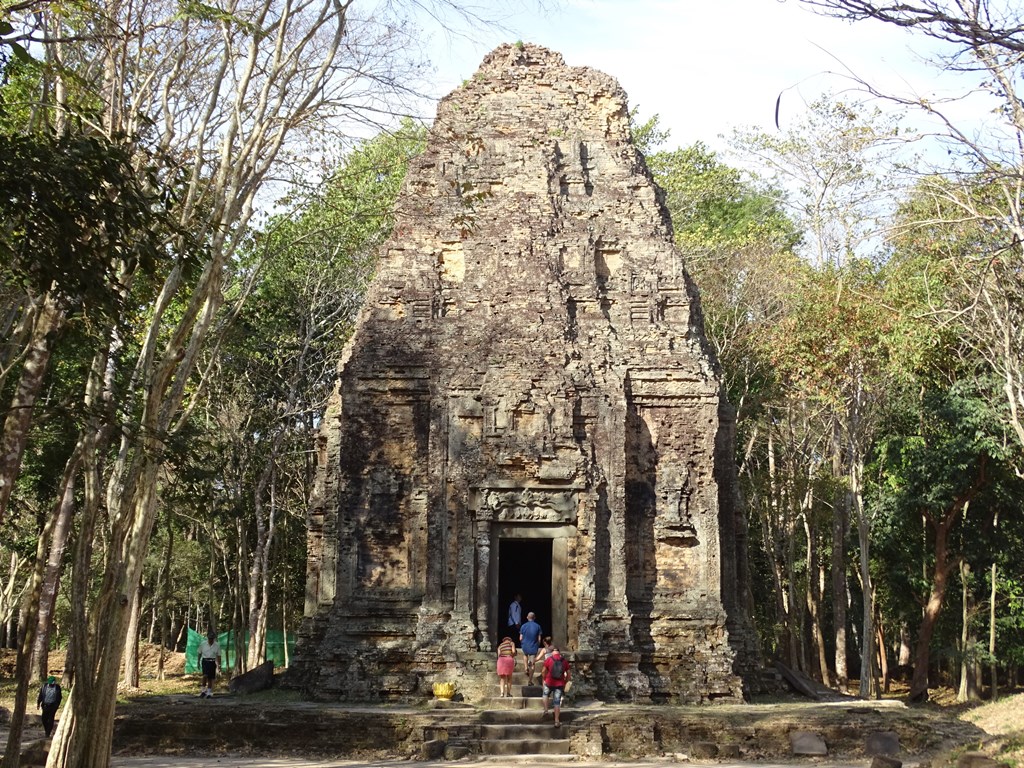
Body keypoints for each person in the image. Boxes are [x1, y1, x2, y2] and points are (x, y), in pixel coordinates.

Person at [542, 645, 570, 728]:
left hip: (549, 681)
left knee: (545, 694)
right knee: (557, 702)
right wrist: (565, 681)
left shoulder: (549, 659)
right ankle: (557, 721)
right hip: (559, 683)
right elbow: (569, 674)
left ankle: (546, 710)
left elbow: (543, 671)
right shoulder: (564, 661)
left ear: (552, 653)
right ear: (559, 653)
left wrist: (544, 678)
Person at [519, 611, 543, 684]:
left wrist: (523, 643)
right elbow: (539, 638)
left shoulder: (523, 626)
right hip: (533, 646)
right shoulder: (538, 626)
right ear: (534, 618)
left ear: (527, 617)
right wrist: (537, 644)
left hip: (525, 645)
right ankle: (530, 681)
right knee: (532, 663)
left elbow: (520, 638)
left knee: (525, 655)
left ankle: (526, 668)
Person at [197, 629, 221, 698]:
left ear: (214, 638)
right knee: (205, 676)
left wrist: (219, 665)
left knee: (210, 678)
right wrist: (198, 661)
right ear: (207, 638)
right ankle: (203, 691)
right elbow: (199, 653)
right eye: (209, 638)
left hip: (212, 662)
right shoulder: (203, 644)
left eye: (212, 638)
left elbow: (219, 655)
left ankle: (209, 692)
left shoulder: (217, 645)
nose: (211, 640)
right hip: (205, 661)